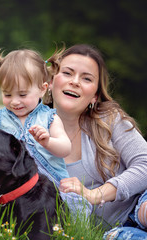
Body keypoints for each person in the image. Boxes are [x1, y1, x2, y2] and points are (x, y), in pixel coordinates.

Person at [45, 44, 147, 238]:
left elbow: (145, 164)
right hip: (114, 232)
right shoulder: (33, 136)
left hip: (140, 200)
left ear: (95, 95)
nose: (75, 82)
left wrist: (95, 195)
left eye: (86, 78)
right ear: (50, 82)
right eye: (67, 73)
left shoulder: (109, 119)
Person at [0, 48, 72, 182]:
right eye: (7, 94)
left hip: (49, 185)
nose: (15, 101)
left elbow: (65, 149)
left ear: (42, 89)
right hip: (12, 184)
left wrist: (48, 142)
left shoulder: (49, 118)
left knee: (68, 202)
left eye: (22, 94)